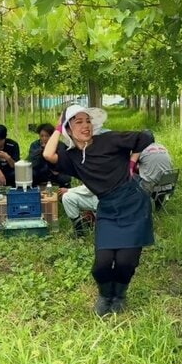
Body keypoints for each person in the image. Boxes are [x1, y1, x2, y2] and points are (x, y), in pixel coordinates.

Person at [43, 104, 154, 316]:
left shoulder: (109, 139)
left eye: (88, 121)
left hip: (133, 203)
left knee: (126, 261)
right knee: (102, 264)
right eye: (78, 122)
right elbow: (48, 154)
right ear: (68, 128)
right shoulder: (72, 156)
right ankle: (105, 295)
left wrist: (131, 163)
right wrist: (58, 126)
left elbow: (146, 137)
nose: (86, 126)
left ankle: (120, 295)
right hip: (108, 208)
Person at [28, 123, 72, 188]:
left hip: (56, 172)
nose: (44, 138)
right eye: (42, 136)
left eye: (47, 136)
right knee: (31, 174)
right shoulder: (35, 145)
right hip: (41, 171)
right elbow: (32, 162)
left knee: (65, 178)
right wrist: (41, 150)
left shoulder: (60, 145)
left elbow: (64, 161)